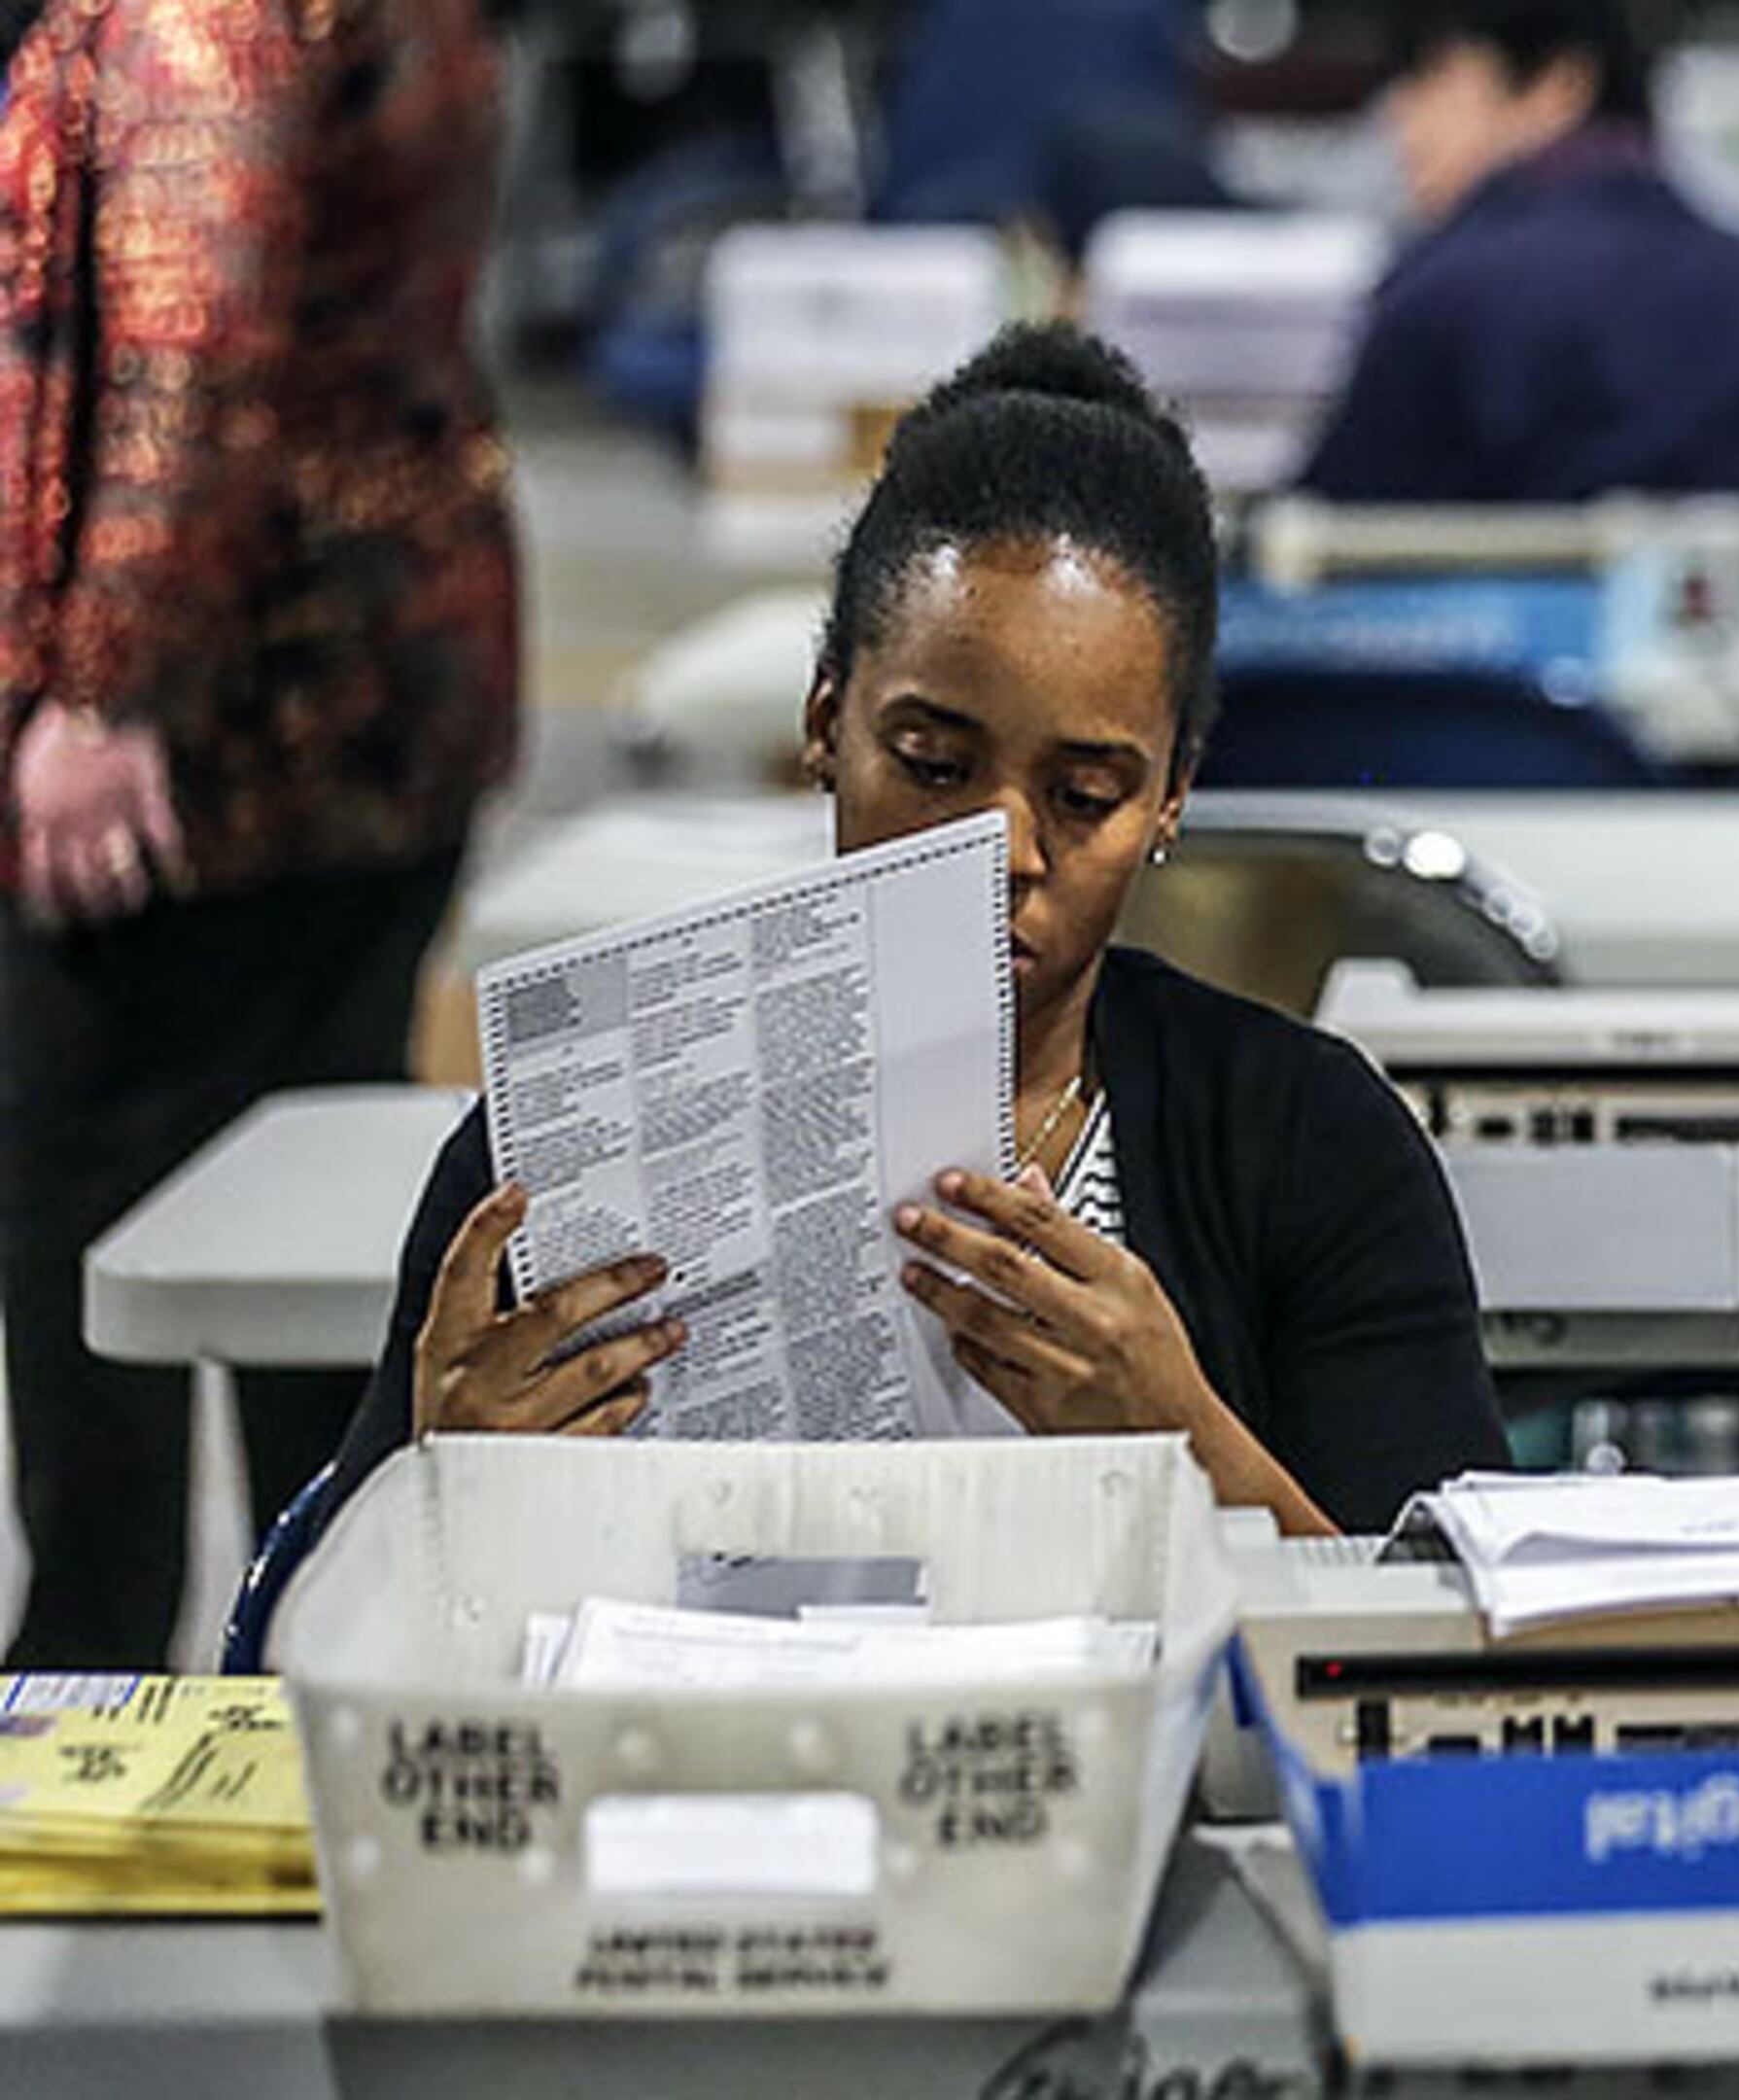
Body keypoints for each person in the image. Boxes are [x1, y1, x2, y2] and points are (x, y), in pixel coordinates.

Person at [299, 325, 1508, 1580]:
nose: (1003, 847)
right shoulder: (572, 1140)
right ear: (827, 724)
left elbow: (1439, 1665)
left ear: (1170, 805)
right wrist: (437, 1495)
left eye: (1087, 794)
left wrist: (1186, 1446)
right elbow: (320, 1661)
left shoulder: (1307, 1140)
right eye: (933, 766)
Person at [0, 0, 518, 1665]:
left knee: (91, 1195)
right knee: (303, 1185)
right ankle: (316, 1664)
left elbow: (194, 324)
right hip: (381, 679)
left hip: (229, 730)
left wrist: (108, 688)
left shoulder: (197, 10)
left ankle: (93, 1667)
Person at [1296, 0, 1739, 583]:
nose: (1395, 118)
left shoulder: (1442, 299)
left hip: (1496, 755)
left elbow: (1307, 564)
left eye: (1429, 77)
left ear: (1557, 84)